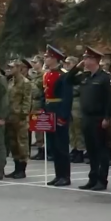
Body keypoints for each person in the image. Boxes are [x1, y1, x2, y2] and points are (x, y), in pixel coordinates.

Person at [65, 47, 111, 191]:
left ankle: (101, 180)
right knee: (91, 150)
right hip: (86, 117)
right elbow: (68, 80)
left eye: (87, 58)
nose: (84, 61)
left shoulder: (105, 78)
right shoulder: (85, 76)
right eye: (84, 58)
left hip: (99, 118)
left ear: (95, 60)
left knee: (101, 150)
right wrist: (77, 67)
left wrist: (107, 117)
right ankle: (92, 179)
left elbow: (109, 100)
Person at [42, 46, 74, 186]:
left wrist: (63, 116)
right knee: (53, 145)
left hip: (59, 109)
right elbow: (45, 95)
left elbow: (67, 97)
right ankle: (58, 174)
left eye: (47, 57)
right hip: (49, 109)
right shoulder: (47, 74)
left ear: (55, 58)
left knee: (61, 145)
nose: (45, 59)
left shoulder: (63, 74)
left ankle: (65, 176)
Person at [4, 59, 33, 179]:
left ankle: (22, 169)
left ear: (19, 68)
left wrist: (23, 114)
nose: (10, 69)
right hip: (10, 116)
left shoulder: (25, 82)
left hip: (19, 117)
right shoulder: (10, 82)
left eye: (12, 67)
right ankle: (16, 168)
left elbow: (27, 100)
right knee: (13, 143)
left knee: (22, 143)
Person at [64, 56, 86, 163]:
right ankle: (74, 148)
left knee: (78, 128)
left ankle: (80, 150)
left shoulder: (80, 75)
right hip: (69, 101)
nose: (66, 65)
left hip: (77, 101)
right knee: (71, 128)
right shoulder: (68, 75)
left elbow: (78, 89)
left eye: (69, 63)